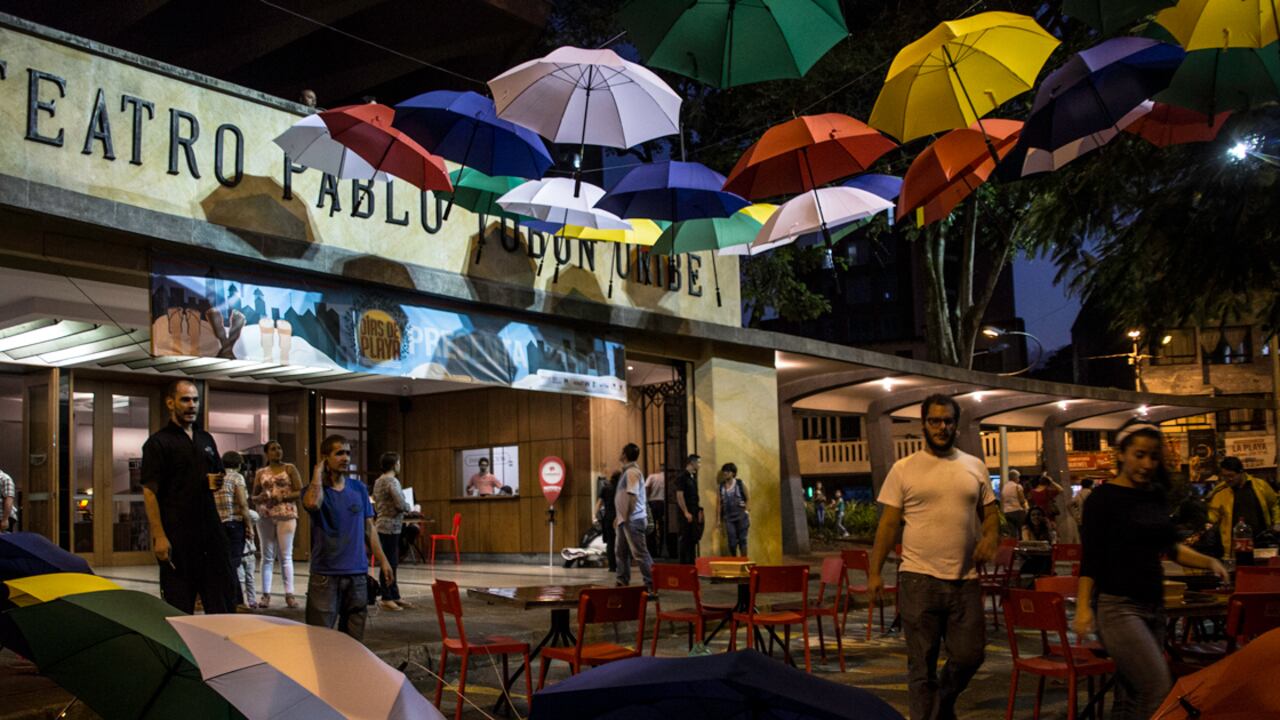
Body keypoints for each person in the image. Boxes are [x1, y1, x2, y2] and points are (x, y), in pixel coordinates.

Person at [1075, 421, 1228, 720]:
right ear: (1121, 454)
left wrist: (1209, 562)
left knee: (1131, 695)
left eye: (1153, 456)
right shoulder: (1101, 500)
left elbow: (1171, 548)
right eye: (1139, 454)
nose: (1147, 464)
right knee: (1156, 687)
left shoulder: (1153, 497)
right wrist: (1082, 607)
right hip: (1118, 608)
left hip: (1154, 607)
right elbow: (1091, 558)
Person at [868, 394, 998, 720]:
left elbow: (991, 513)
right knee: (921, 666)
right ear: (924, 424)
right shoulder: (904, 469)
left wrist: (991, 537)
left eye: (948, 421)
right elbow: (887, 525)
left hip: (965, 580)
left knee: (971, 656)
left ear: (956, 425)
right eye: (935, 421)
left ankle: (941, 706)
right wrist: (874, 572)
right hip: (917, 578)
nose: (942, 427)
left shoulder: (974, 466)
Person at [141, 379, 237, 614]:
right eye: (185, 399)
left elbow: (216, 475)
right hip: (178, 536)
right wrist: (159, 537)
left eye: (195, 400)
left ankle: (221, 649)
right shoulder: (159, 443)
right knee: (179, 607)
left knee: (221, 602)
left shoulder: (206, 439)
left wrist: (215, 481)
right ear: (170, 402)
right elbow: (150, 492)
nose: (192, 405)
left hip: (211, 534)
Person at [302, 434, 393, 641]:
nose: (345, 458)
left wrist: (384, 560)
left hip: (357, 575)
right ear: (325, 457)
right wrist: (317, 474)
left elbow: (369, 528)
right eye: (339, 453)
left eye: (348, 453)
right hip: (325, 576)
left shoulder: (358, 489)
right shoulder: (314, 491)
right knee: (319, 639)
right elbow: (312, 504)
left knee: (354, 642)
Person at [252, 440, 303, 609]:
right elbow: (253, 495)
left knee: (285, 555)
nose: (277, 451)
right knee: (267, 556)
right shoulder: (261, 472)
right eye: (273, 449)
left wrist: (283, 497)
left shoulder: (289, 468)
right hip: (266, 515)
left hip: (285, 514)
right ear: (267, 453)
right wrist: (259, 499)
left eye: (279, 448)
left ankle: (289, 594)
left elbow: (299, 491)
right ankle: (265, 594)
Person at [1207, 455, 1279, 557]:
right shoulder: (1221, 492)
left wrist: (1277, 522)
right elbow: (1212, 515)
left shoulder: (1260, 486)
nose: (1227, 479)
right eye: (1224, 476)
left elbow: (1275, 504)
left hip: (1261, 544)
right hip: (1234, 548)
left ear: (1241, 472)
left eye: (1231, 475)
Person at [372, 452, 412, 611]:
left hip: (381, 524)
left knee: (391, 561)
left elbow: (376, 501)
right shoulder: (392, 481)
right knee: (389, 562)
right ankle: (387, 597)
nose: (400, 465)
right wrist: (410, 508)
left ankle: (395, 595)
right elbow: (401, 504)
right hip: (391, 527)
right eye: (399, 463)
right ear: (394, 464)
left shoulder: (378, 481)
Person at [215, 451, 255, 609]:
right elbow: (243, 504)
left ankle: (233, 600)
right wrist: (249, 526)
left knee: (224, 563)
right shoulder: (237, 478)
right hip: (234, 524)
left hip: (218, 525)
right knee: (233, 564)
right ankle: (234, 601)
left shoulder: (217, 477)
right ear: (239, 464)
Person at [613, 443, 653, 592]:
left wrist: (626, 515)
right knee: (621, 552)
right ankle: (622, 581)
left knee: (640, 553)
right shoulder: (628, 472)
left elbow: (632, 496)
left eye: (621, 451)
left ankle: (651, 584)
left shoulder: (632, 472)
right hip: (625, 519)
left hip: (632, 519)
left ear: (624, 454)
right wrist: (620, 517)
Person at [673, 454, 702, 564]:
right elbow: (680, 495)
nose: (700, 465)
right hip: (687, 512)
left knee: (693, 538)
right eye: (698, 462)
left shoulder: (692, 476)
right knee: (685, 538)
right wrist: (685, 512)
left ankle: (691, 563)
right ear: (692, 463)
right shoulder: (682, 477)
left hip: (694, 511)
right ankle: (684, 565)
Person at [716, 463, 749, 557]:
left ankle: (744, 562)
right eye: (724, 471)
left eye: (728, 471)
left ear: (733, 473)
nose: (725, 473)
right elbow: (719, 504)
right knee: (732, 542)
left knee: (743, 540)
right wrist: (718, 519)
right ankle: (734, 560)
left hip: (741, 517)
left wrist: (746, 511)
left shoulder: (739, 483)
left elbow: (748, 497)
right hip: (729, 518)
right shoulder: (721, 486)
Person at [1019, 506, 1055, 577]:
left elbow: (1051, 542)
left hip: (1044, 557)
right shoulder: (1026, 528)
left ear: (1043, 517)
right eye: (1033, 515)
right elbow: (1027, 543)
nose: (1036, 517)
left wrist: (1048, 526)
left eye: (1038, 514)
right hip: (1030, 556)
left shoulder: (1045, 528)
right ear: (1029, 517)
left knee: (1046, 560)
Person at [595, 472, 620, 573]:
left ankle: (612, 567)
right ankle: (621, 564)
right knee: (620, 543)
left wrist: (594, 516)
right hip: (619, 517)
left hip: (608, 517)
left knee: (610, 543)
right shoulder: (621, 489)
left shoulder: (605, 488)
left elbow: (599, 503)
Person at [644, 470, 666, 558]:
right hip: (664, 503)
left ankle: (652, 552)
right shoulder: (667, 478)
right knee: (663, 528)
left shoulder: (652, 477)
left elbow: (646, 488)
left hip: (652, 503)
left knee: (651, 528)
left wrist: (645, 501)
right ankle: (662, 551)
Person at [1000, 469, 1028, 537]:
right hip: (1017, 511)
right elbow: (1021, 500)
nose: (1019, 479)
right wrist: (1025, 509)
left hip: (1007, 512)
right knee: (1021, 531)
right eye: (1018, 477)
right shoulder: (1017, 486)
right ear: (1015, 477)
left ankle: (1013, 545)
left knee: (1012, 533)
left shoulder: (1004, 487)